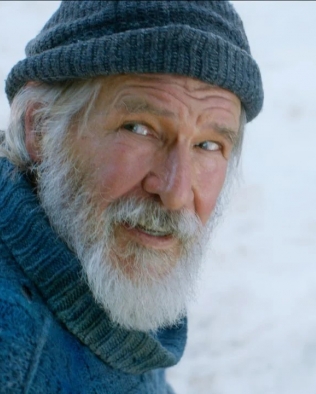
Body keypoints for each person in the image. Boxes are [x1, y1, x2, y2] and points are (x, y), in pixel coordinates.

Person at [0, 1, 263, 392]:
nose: (175, 193)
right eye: (139, 128)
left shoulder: (104, 277)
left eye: (208, 145)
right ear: (40, 127)